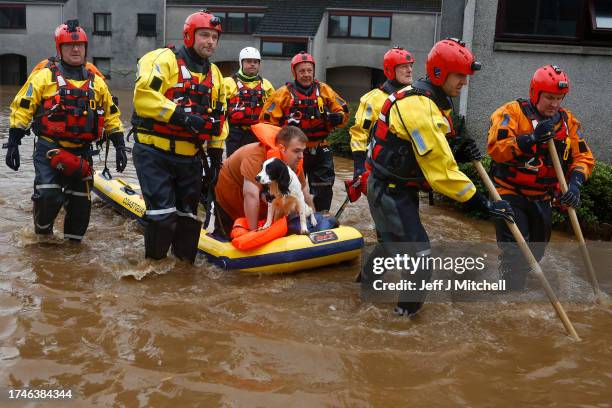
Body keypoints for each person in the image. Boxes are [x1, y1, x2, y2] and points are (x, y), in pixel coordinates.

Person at [363, 38, 515, 317]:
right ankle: (402, 321)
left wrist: (457, 146)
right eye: (459, 76)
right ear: (438, 74)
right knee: (420, 260)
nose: (464, 83)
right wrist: (481, 202)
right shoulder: (416, 107)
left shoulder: (433, 99)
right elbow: (440, 171)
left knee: (388, 244)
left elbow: (436, 147)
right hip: (389, 190)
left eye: (466, 76)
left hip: (398, 187)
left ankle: (365, 288)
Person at [4, 20, 126, 242]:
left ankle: (72, 251)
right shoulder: (44, 77)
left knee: (80, 209)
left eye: (80, 45)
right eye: (70, 46)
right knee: (49, 195)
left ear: (86, 48)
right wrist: (13, 142)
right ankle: (42, 238)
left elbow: (111, 115)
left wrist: (120, 146)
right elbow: (22, 108)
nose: (76, 49)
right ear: (60, 49)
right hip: (50, 149)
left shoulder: (97, 83)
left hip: (82, 153)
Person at [487, 65, 595, 290]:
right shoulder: (511, 113)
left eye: (559, 98)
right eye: (549, 98)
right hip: (509, 191)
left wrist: (574, 185)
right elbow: (496, 148)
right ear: (535, 93)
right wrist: (530, 139)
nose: (554, 104)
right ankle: (510, 290)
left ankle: (518, 275)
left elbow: (583, 157)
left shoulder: (567, 122)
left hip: (542, 196)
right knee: (516, 249)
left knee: (536, 250)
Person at [131, 10, 226, 263]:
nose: (210, 42)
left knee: (188, 219)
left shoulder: (215, 75)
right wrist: (181, 116)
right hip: (154, 152)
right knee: (163, 217)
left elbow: (219, 117)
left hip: (190, 158)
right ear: (188, 35)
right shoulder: (163, 59)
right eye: (204, 35)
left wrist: (216, 156)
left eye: (215, 37)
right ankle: (153, 268)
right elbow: (144, 98)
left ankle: (182, 273)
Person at [259, 51, 349, 213]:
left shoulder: (324, 90)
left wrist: (338, 117)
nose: (306, 74)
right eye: (302, 71)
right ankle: (291, 217)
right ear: (294, 72)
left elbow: (343, 111)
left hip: (320, 147)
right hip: (293, 151)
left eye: (309, 70)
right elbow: (266, 123)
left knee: (323, 188)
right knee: (290, 187)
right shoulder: (283, 94)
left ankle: (321, 217)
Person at [214, 124, 314, 237]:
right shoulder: (255, 157)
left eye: (302, 151)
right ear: (282, 148)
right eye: (297, 151)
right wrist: (254, 235)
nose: (301, 156)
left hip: (262, 200)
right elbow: (251, 195)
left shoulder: (294, 161)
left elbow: (304, 191)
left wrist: (314, 217)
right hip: (230, 198)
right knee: (229, 235)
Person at [350, 47, 415, 180]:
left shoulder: (416, 97)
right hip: (380, 167)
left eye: (410, 66)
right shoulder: (373, 99)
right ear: (390, 70)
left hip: (408, 170)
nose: (409, 70)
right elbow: (359, 133)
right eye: (403, 67)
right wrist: (359, 166)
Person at [222, 47, 275, 157]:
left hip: (258, 133)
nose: (252, 64)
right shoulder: (228, 82)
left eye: (255, 62)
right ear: (241, 63)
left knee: (254, 166)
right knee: (234, 166)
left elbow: (273, 109)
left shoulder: (266, 85)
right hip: (235, 133)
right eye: (248, 61)